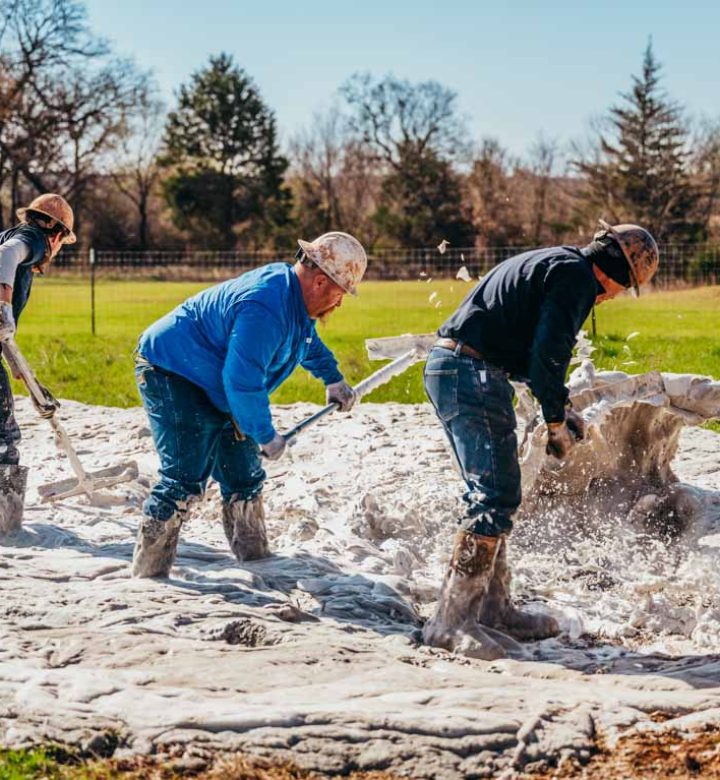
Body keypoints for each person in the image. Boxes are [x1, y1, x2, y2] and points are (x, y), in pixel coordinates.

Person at [422, 220, 659, 659]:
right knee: (494, 495)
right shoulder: (576, 279)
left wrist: (560, 406)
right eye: (622, 289)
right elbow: (550, 353)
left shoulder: (557, 261)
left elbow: (532, 351)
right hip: (470, 373)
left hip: (455, 369)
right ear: (619, 276)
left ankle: (494, 608)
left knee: (494, 491)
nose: (611, 298)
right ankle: (450, 622)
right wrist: (555, 423)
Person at [132, 231, 367, 578]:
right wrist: (265, 435)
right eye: (340, 293)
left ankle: (258, 563)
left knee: (245, 476)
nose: (340, 302)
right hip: (173, 370)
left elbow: (306, 340)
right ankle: (148, 576)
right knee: (184, 476)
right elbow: (242, 382)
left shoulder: (290, 298)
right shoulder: (265, 306)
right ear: (320, 281)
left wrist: (332, 378)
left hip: (215, 382)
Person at [0, 194, 76, 504]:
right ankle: (5, 516)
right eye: (61, 243)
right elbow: (5, 255)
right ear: (56, 235)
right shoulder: (33, 239)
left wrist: (20, 369)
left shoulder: (12, 234)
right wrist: (4, 304)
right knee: (4, 437)